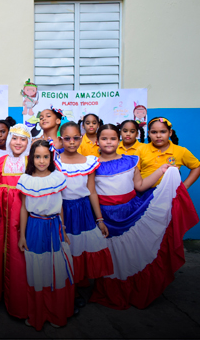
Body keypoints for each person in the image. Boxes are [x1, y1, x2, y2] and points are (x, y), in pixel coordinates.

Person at [89, 124, 199, 309]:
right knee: (112, 256)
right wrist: (99, 219)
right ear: (97, 141)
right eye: (104, 138)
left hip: (131, 213)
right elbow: (91, 191)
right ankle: (112, 291)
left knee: (131, 254)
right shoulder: (92, 164)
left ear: (120, 140)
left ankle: (134, 290)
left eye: (113, 138)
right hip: (107, 217)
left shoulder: (132, 160)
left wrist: (161, 171)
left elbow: (140, 186)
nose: (109, 142)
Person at [17, 140, 74, 330]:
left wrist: (64, 229)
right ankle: (38, 315)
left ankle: (56, 314)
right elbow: (24, 209)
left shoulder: (58, 177)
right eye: (38, 157)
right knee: (37, 271)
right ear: (32, 158)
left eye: (45, 156)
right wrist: (22, 236)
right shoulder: (26, 179)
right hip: (34, 226)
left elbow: (61, 208)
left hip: (54, 227)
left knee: (56, 270)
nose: (42, 161)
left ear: (51, 158)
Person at [55, 122, 113, 307]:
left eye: (75, 138)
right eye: (67, 138)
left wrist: (100, 220)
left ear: (81, 138)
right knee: (67, 248)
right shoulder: (54, 161)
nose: (72, 142)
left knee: (82, 246)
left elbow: (92, 191)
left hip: (84, 211)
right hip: (63, 210)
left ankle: (79, 282)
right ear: (60, 139)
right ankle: (69, 290)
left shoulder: (89, 161)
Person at [0, 124, 31, 319]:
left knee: (20, 256)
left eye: (23, 139)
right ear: (8, 141)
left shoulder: (33, 162)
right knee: (0, 252)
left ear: (28, 142)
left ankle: (21, 298)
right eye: (14, 138)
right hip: (2, 217)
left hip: (25, 218)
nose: (18, 143)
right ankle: (1, 293)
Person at [136, 117, 200, 188]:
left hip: (169, 195)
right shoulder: (141, 149)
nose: (158, 136)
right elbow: (134, 173)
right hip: (143, 194)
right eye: (154, 132)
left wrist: (184, 187)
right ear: (149, 133)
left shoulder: (181, 151)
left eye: (163, 132)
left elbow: (197, 167)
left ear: (170, 132)